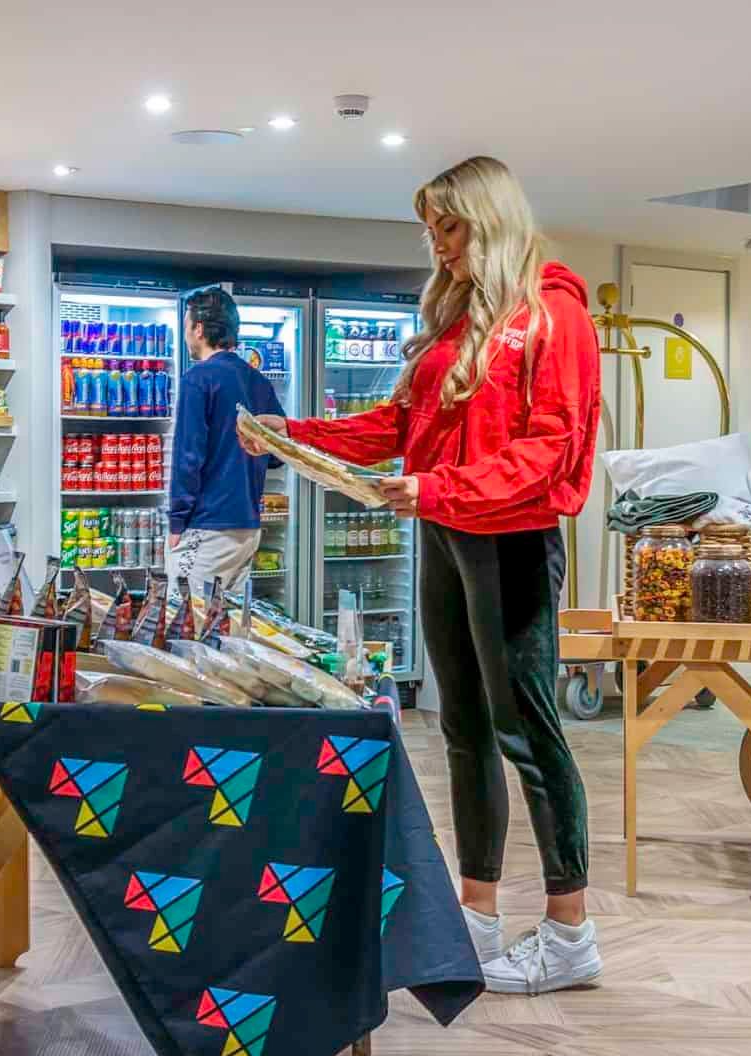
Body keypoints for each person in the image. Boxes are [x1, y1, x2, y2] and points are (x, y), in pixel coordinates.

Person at [241, 156, 602, 996]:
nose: (438, 245)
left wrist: (440, 488)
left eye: (450, 226)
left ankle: (570, 933)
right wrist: (293, 432)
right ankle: (476, 915)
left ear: (491, 218)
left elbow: (551, 449)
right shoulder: (460, 319)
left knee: (528, 732)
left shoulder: (553, 314)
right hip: (446, 534)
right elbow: (398, 427)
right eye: (431, 231)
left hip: (509, 540)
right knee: (464, 730)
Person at [168, 286, 286, 594]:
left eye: (186, 326)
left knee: (185, 615)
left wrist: (177, 522)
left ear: (199, 329)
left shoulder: (198, 379)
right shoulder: (258, 381)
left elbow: (188, 457)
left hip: (209, 526)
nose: (186, 335)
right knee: (227, 619)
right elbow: (279, 452)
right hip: (247, 526)